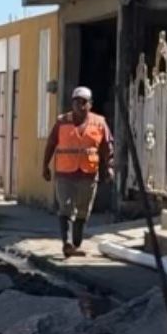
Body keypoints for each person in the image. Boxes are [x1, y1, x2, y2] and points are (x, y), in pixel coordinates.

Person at [42, 85, 114, 258]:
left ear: (90, 104)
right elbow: (51, 144)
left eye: (83, 102)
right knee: (65, 208)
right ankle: (66, 243)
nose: (79, 106)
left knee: (83, 210)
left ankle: (76, 241)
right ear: (71, 103)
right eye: (76, 102)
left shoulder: (99, 122)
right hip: (65, 174)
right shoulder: (62, 122)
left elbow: (107, 148)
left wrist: (109, 167)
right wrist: (45, 165)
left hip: (88, 174)